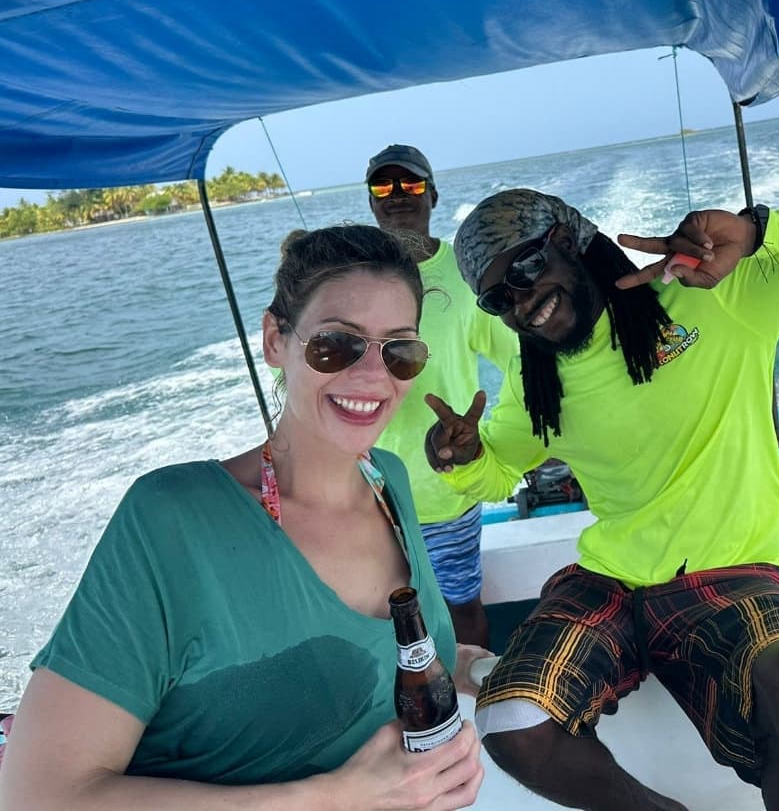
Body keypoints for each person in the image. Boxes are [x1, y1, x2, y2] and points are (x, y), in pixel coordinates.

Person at [422, 189, 779, 811]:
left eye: (524, 269)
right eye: (497, 298)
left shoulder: (715, 296)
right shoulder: (534, 378)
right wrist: (464, 461)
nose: (519, 302)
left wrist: (760, 231)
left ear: (569, 242)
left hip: (735, 572)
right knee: (512, 719)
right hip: (610, 582)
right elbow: (498, 471)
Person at [0, 225, 485, 810]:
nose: (372, 375)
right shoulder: (173, 520)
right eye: (337, 343)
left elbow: (382, 650)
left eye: (400, 350)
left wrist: (471, 663)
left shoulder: (389, 482)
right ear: (276, 340)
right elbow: (37, 795)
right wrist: (336, 796)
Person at [365, 144, 516, 648]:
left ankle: (480, 716)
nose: (397, 196)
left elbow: (516, 357)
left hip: (446, 488)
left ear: (432, 193)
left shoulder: (465, 273)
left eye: (409, 184)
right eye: (382, 187)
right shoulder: (355, 273)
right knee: (381, 615)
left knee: (462, 607)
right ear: (371, 202)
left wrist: (493, 440)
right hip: (367, 492)